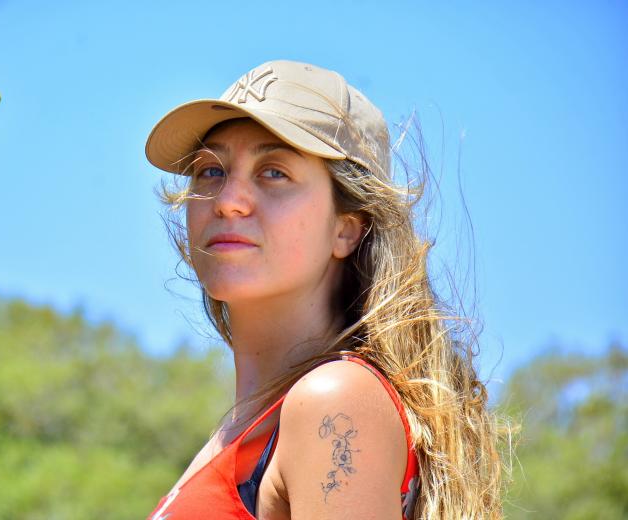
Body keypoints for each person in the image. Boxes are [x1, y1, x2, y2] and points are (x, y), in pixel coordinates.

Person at [144, 60, 504, 519]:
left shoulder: (334, 402)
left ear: (346, 229)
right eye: (211, 171)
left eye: (274, 172)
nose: (228, 201)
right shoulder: (243, 433)